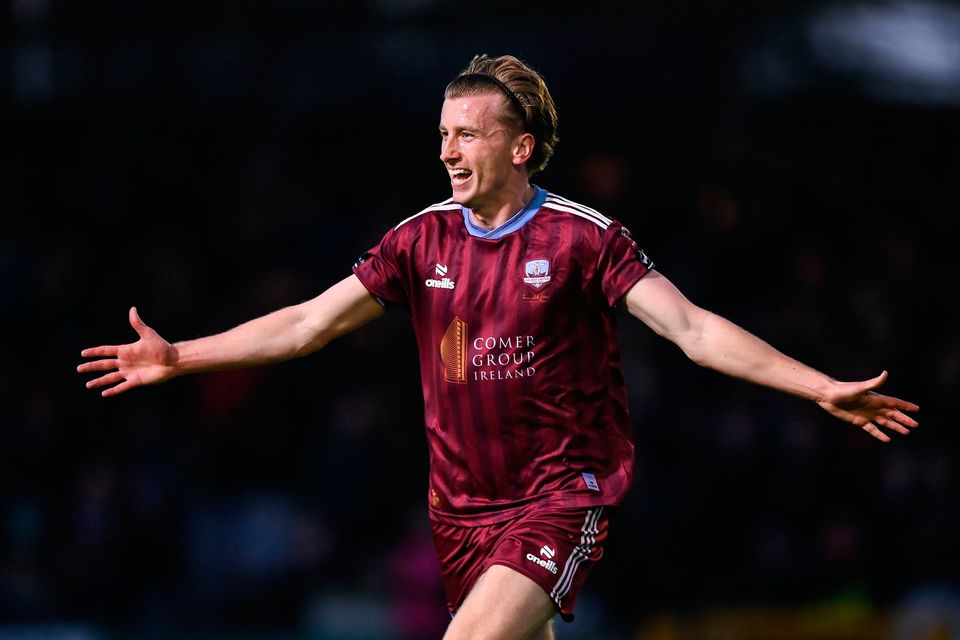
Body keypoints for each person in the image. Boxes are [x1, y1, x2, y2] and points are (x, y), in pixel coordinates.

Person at [78, 54, 919, 640]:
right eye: (442, 135)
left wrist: (817, 387)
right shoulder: (418, 242)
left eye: (467, 135)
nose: (447, 151)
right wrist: (180, 356)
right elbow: (304, 324)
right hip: (461, 512)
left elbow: (692, 330)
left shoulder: (586, 239)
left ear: (519, 147)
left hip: (562, 494)